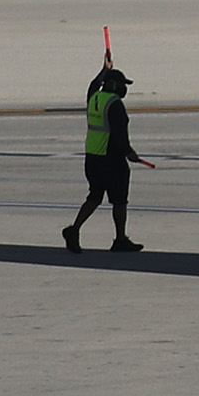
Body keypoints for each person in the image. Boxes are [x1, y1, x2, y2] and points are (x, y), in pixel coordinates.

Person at [64, 61, 150, 254]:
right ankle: (120, 239)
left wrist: (105, 69)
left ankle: (74, 229)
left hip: (92, 157)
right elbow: (120, 133)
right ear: (112, 85)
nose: (124, 89)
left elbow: (93, 84)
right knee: (119, 200)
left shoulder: (94, 97)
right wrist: (130, 153)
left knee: (94, 196)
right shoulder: (114, 104)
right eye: (122, 85)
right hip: (111, 159)